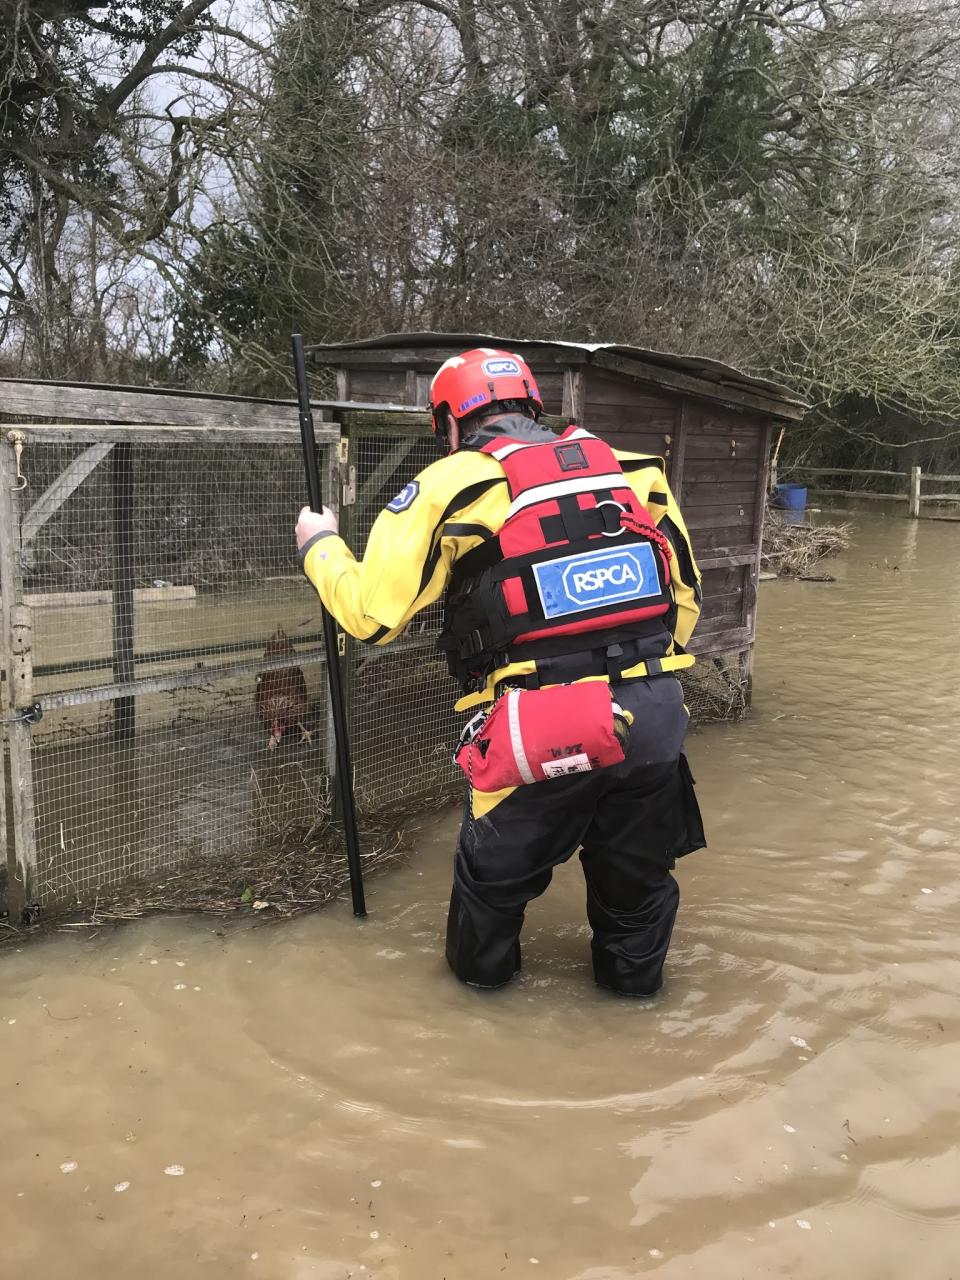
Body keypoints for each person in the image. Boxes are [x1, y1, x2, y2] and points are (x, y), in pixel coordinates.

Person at [296, 347, 705, 996]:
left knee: (490, 893)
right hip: (653, 716)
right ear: (532, 407)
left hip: (540, 729)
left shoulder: (454, 483)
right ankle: (633, 1009)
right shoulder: (634, 472)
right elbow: (684, 602)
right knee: (637, 896)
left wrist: (319, 545)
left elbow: (372, 617)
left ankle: (478, 1016)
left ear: (452, 424)